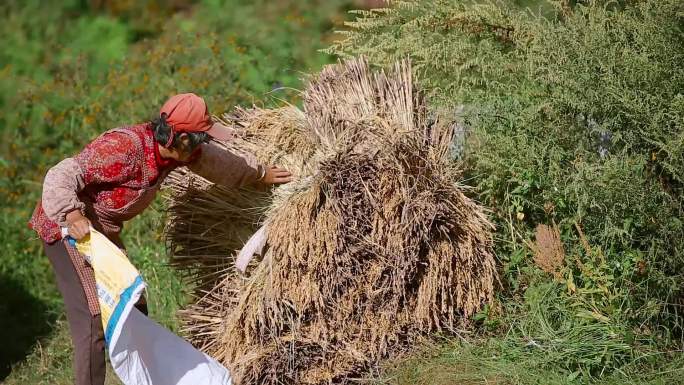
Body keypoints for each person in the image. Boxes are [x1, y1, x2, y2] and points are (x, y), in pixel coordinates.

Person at [28, 93, 292, 385]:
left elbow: (218, 163)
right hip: (66, 230)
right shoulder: (124, 147)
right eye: (200, 138)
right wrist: (72, 215)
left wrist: (260, 174)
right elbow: (61, 173)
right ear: (180, 138)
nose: (204, 144)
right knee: (92, 322)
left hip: (100, 236)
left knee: (134, 308)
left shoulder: (176, 153)